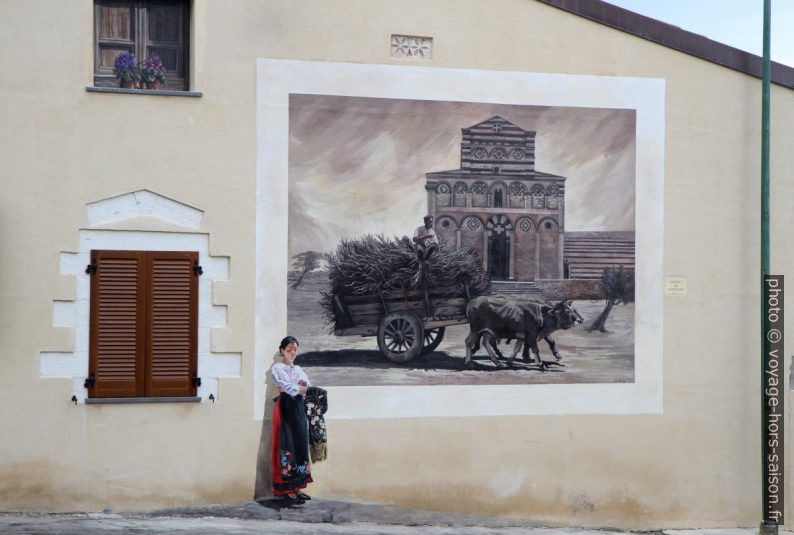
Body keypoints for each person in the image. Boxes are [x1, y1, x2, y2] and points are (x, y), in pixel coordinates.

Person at [270, 336, 313, 504]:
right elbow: (288, 388)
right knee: (288, 445)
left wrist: (301, 388)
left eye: (295, 350)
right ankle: (287, 488)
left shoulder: (298, 369)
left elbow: (307, 387)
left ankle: (298, 486)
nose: (292, 353)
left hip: (298, 408)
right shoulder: (277, 368)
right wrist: (300, 388)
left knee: (300, 444)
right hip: (286, 408)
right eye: (289, 350)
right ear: (282, 351)